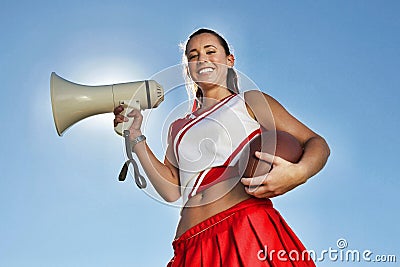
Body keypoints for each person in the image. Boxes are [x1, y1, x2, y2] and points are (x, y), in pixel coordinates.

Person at [114, 28, 330, 266]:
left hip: (245, 227)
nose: (202, 59)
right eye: (193, 55)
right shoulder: (178, 126)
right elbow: (171, 189)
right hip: (190, 243)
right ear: (188, 68)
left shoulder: (250, 102)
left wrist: (300, 173)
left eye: (210, 51)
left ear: (229, 60)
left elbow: (316, 142)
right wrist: (135, 136)